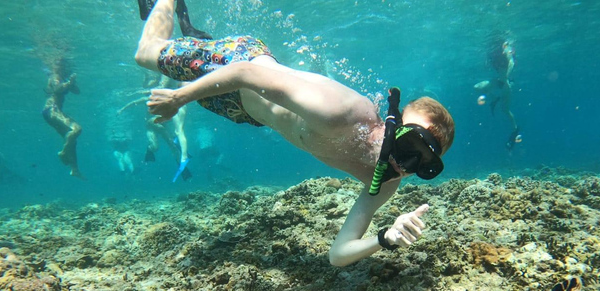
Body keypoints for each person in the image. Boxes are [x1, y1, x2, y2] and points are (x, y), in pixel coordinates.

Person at [134, 0, 455, 266]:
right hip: (236, 64)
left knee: (185, 48)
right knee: (146, 54)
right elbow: (247, 73)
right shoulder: (340, 113)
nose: (406, 164)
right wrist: (178, 98)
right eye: (411, 144)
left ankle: (190, 31)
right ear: (393, 121)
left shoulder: (385, 181)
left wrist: (385, 237)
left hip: (242, 111)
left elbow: (338, 254)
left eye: (423, 164)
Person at [118, 73, 192, 181]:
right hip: (152, 122)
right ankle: (183, 168)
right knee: (171, 143)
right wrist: (122, 109)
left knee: (155, 147)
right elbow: (134, 102)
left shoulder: (164, 97)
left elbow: (134, 103)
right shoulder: (151, 97)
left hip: (156, 125)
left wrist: (122, 109)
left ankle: (150, 151)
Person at [475, 36, 520, 150]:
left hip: (505, 83)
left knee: (505, 110)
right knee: (477, 87)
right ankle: (494, 98)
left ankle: (515, 130)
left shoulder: (506, 50)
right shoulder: (492, 54)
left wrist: (506, 77)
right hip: (498, 81)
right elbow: (487, 66)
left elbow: (512, 63)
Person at [42, 57, 83, 178]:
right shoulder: (55, 77)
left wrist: (71, 83)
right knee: (77, 129)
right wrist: (69, 83)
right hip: (52, 110)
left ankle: (74, 169)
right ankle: (64, 152)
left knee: (72, 139)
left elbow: (77, 91)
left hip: (53, 111)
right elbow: (57, 89)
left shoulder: (63, 79)